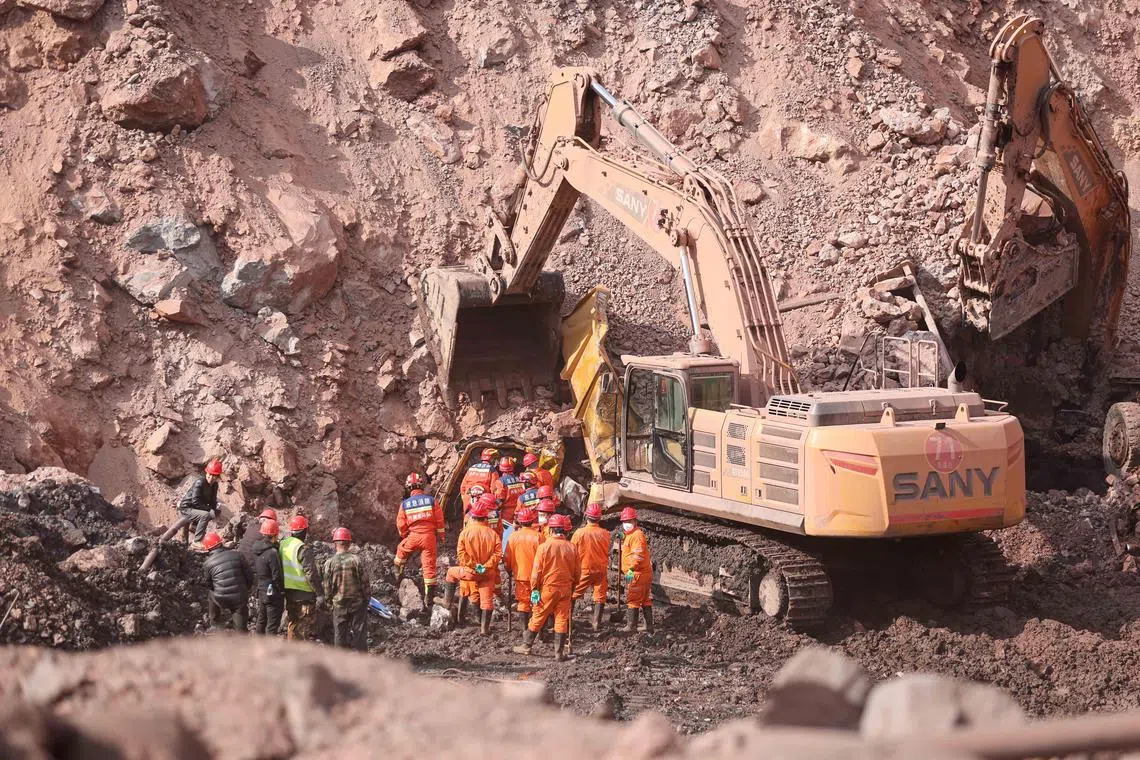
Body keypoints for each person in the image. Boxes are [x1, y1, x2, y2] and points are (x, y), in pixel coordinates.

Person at [512, 513, 579, 661]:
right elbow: (577, 572)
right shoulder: (572, 547)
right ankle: (559, 654)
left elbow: (536, 572)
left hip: (548, 588)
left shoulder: (544, 547)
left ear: (551, 530)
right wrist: (573, 586)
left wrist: (535, 589)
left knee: (538, 616)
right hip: (566, 588)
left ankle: (526, 646)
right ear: (564, 530)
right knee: (561, 619)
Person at [439, 493, 501, 635]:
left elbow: (461, 555)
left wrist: (475, 566)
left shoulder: (465, 533)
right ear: (485, 517)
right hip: (487, 573)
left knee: (450, 573)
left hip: (470, 572)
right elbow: (498, 554)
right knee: (487, 601)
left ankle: (447, 601)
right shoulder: (493, 534)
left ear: (473, 516)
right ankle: (484, 629)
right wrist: (485, 566)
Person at [394, 472, 445, 607]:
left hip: (414, 535)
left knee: (401, 551)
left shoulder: (405, 504)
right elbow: (439, 520)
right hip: (429, 537)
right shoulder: (431, 501)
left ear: (409, 488)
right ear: (421, 486)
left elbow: (401, 524)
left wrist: (405, 535)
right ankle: (429, 597)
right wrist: (441, 536)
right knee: (429, 566)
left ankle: (397, 575)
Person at [279, 515, 324, 641]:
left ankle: (290, 651)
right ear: (304, 531)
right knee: (303, 628)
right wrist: (320, 594)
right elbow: (311, 573)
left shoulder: (283, 544)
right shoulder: (303, 548)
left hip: (288, 592)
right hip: (304, 594)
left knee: (292, 623)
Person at [323, 527, 369, 650]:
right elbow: (364, 582)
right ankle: (363, 663)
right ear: (349, 543)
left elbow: (327, 586)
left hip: (339, 605)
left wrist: (329, 603)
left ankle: (340, 664)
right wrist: (366, 599)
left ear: (335, 543)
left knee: (339, 636)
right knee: (359, 636)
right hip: (357, 604)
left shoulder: (330, 563)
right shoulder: (356, 560)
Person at [571, 503, 611, 631]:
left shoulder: (579, 533)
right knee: (600, 595)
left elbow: (572, 551)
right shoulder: (605, 533)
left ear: (586, 516)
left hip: (585, 569)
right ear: (599, 518)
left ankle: (567, 621)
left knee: (572, 594)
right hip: (601, 569)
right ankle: (596, 623)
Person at [201, 532, 251, 632]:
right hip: (239, 598)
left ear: (208, 549)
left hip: (221, 598)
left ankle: (214, 623)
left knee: (211, 594)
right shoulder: (237, 555)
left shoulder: (207, 563)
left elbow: (209, 584)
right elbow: (249, 576)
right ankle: (241, 633)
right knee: (241, 625)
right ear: (221, 543)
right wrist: (246, 590)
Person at [504, 507, 541, 630]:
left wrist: (508, 568)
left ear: (519, 521)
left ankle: (525, 628)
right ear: (532, 521)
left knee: (523, 602)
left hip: (521, 575)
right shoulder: (539, 537)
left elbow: (508, 557)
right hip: (537, 577)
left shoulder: (513, 537)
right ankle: (536, 629)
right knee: (536, 600)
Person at [619, 507, 653, 634]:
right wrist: (622, 536)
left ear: (635, 521)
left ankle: (631, 626)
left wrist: (630, 570)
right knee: (645, 599)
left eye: (629, 521)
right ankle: (648, 626)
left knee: (632, 599)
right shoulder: (633, 534)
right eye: (625, 521)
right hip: (643, 572)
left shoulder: (637, 536)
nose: (626, 524)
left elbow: (638, 556)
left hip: (636, 573)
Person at [179, 459, 223, 546]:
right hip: (187, 508)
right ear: (206, 473)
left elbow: (213, 501)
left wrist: (213, 509)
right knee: (205, 515)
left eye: (214, 476)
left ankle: (195, 527)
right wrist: (209, 509)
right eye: (210, 475)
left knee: (214, 512)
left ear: (217, 476)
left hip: (196, 508)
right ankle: (197, 541)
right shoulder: (199, 483)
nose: (211, 478)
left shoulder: (214, 485)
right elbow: (195, 501)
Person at [252, 519, 285, 636]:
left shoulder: (257, 548)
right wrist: (281, 591)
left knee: (261, 619)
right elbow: (277, 575)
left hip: (261, 590)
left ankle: (257, 649)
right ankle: (269, 652)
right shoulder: (272, 553)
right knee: (272, 625)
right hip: (272, 593)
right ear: (275, 534)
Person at [459, 448, 501, 512]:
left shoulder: (472, 468)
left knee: (467, 519)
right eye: (494, 458)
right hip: (483, 500)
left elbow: (463, 486)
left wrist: (465, 497)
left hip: (468, 498)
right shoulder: (492, 470)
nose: (495, 460)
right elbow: (494, 489)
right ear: (490, 458)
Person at [492, 457, 525, 529]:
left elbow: (499, 500)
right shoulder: (519, 478)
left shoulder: (500, 481)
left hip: (506, 515)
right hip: (519, 512)